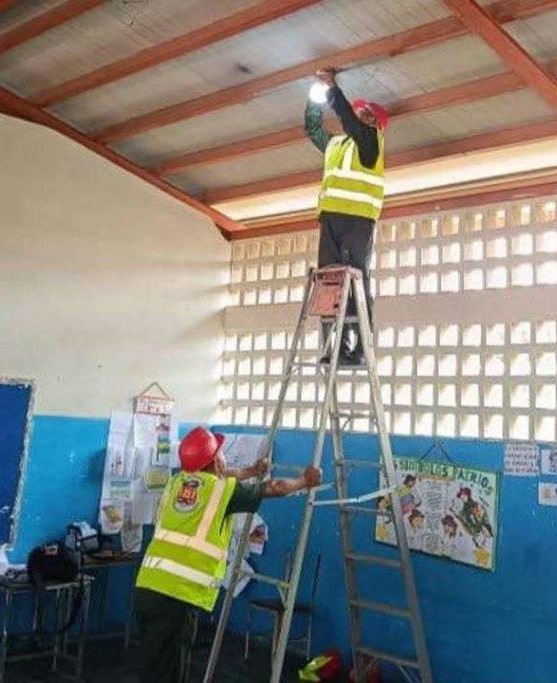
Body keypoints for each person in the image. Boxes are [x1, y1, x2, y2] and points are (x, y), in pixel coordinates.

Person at [134, 426, 322, 683]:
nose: (224, 457)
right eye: (220, 453)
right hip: (176, 593)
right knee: (168, 670)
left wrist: (251, 471)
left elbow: (223, 474)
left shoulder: (177, 482)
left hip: (148, 586)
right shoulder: (221, 490)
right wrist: (304, 480)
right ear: (213, 461)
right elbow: (274, 487)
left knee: (153, 663)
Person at [304, 66, 389, 366]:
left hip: (357, 221)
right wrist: (315, 100)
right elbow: (313, 130)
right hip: (330, 220)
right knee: (330, 283)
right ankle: (336, 347)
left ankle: (362, 347)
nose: (361, 117)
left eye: (367, 115)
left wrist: (332, 89)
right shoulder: (337, 145)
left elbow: (351, 123)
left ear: (375, 124)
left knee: (355, 283)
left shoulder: (371, 144)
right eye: (360, 112)